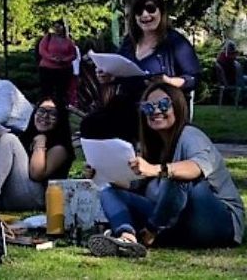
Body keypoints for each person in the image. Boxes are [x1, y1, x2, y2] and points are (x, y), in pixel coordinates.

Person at [88, 83, 244, 257]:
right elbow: (134, 186)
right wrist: (101, 173)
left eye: (163, 104)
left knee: (178, 175)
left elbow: (194, 169)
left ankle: (149, 233)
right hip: (174, 221)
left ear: (178, 106)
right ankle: (127, 237)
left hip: (216, 223)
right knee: (109, 192)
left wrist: (157, 169)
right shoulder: (152, 146)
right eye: (148, 107)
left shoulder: (190, 135)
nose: (155, 111)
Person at [82, 0, 201, 143]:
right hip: (126, 103)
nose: (145, 15)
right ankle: (106, 165)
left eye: (151, 9)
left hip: (159, 107)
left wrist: (169, 82)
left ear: (161, 12)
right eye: (139, 11)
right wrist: (109, 77)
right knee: (90, 125)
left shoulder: (175, 42)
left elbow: (194, 78)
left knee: (129, 125)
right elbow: (121, 70)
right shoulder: (129, 43)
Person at [0, 96, 74, 209]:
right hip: (12, 192)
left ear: (60, 119)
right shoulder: (27, 137)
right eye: (41, 111)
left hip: (36, 198)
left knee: (9, 139)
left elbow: (36, 175)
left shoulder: (61, 147)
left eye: (52, 113)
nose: (45, 116)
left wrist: (40, 144)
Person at [37, 20, 77, 107]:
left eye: (59, 27)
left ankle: (61, 109)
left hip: (63, 70)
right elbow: (42, 50)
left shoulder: (68, 40)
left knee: (61, 94)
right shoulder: (48, 37)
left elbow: (73, 54)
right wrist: (52, 58)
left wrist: (64, 59)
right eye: (55, 27)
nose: (57, 29)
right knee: (47, 92)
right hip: (47, 69)